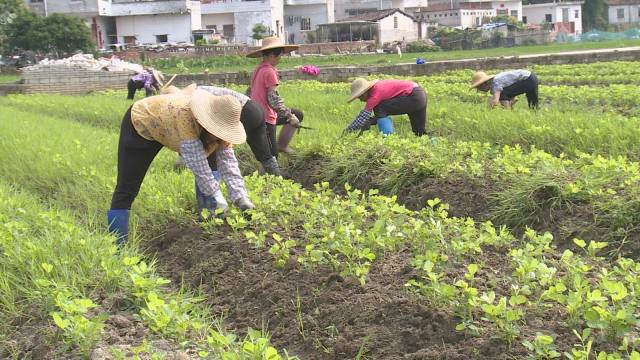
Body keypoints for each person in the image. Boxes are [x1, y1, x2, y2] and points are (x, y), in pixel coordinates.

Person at [107, 89, 254, 246]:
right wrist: (217, 196)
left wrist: (240, 197)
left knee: (213, 163)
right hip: (142, 123)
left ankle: (210, 222)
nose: (220, 136)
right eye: (218, 130)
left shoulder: (222, 129)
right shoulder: (185, 115)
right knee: (127, 187)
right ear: (207, 121)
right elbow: (198, 166)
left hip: (169, 126)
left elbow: (228, 162)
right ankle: (118, 246)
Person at [162, 83, 281, 176]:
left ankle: (216, 182)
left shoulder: (194, 99)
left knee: (215, 146)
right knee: (264, 152)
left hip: (240, 112)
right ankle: (278, 179)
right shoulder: (200, 90)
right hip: (255, 109)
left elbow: (196, 130)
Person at [246, 36, 303, 156]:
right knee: (271, 156)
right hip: (265, 118)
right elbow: (273, 99)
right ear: (272, 55)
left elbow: (249, 92)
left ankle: (282, 146)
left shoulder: (258, 70)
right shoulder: (270, 72)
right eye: (280, 55)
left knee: (298, 113)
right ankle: (270, 171)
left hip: (256, 114)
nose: (280, 59)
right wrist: (289, 116)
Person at [344, 78, 428, 136]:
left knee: (379, 107)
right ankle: (434, 144)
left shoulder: (374, 96)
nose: (360, 100)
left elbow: (363, 117)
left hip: (413, 96)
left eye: (360, 97)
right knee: (419, 132)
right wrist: (371, 120)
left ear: (364, 92)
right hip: (420, 94)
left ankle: (387, 138)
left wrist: (347, 130)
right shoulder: (379, 86)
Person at [470, 69, 539, 109]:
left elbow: (495, 100)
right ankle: (535, 113)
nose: (480, 90)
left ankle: (507, 111)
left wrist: (487, 110)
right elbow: (513, 84)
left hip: (527, 80)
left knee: (501, 94)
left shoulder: (495, 82)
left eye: (479, 88)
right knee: (533, 104)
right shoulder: (496, 80)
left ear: (484, 84)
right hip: (531, 77)